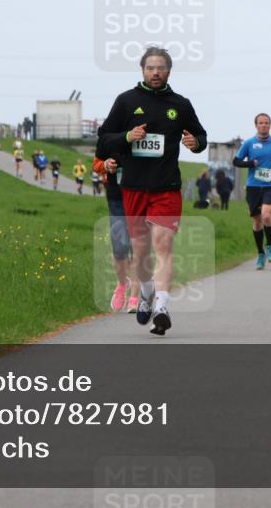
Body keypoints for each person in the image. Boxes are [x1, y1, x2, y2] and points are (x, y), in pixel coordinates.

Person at [97, 46, 207, 336]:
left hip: (166, 188)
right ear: (142, 70)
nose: (155, 72)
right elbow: (103, 141)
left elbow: (201, 134)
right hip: (132, 188)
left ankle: (161, 306)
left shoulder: (180, 105)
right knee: (142, 252)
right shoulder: (126, 101)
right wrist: (126, 136)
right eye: (150, 68)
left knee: (163, 246)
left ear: (169, 71)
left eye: (161, 68)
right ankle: (146, 292)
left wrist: (197, 143)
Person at [233, 113, 271, 269]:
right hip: (253, 186)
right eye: (261, 123)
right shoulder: (249, 143)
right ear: (256, 125)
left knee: (266, 215)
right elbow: (236, 161)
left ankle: (270, 245)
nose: (264, 125)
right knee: (257, 221)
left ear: (270, 125)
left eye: (266, 123)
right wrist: (250, 163)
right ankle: (260, 253)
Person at [93, 154, 136, 312]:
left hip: (140, 197)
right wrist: (105, 165)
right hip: (117, 199)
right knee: (119, 248)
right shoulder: (110, 136)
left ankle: (136, 297)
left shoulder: (143, 133)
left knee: (138, 247)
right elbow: (96, 164)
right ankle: (123, 284)